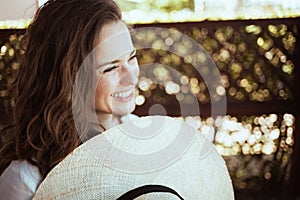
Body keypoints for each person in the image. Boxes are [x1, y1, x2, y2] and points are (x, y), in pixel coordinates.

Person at [0, 0, 139, 199]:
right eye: (110, 68)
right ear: (68, 78)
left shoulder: (138, 135)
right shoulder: (25, 181)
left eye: (132, 57)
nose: (132, 77)